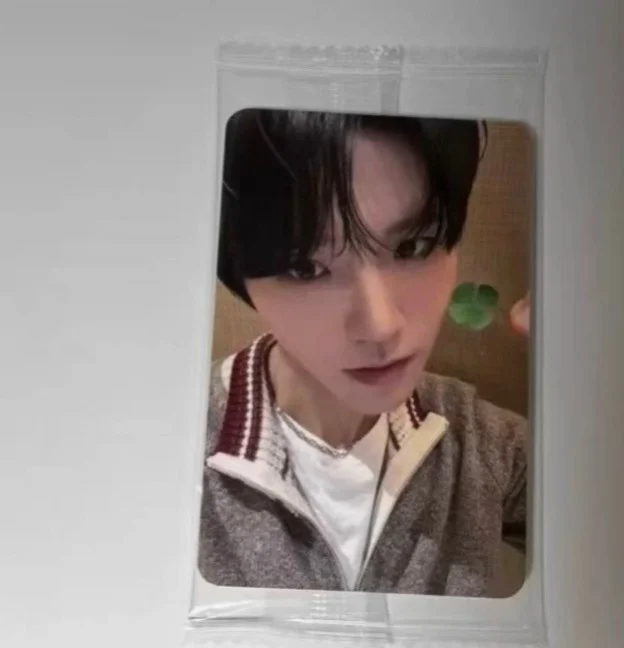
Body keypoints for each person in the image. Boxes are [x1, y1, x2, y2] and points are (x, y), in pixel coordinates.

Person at [198, 109, 531, 596]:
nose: (380, 325)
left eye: (414, 246)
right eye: (305, 268)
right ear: (239, 275)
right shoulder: (166, 450)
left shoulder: (487, 447)